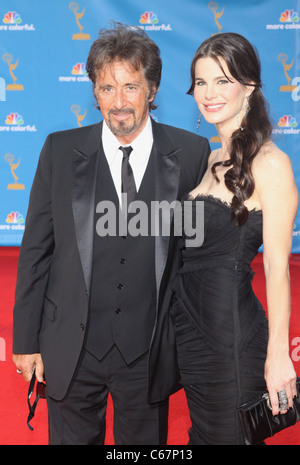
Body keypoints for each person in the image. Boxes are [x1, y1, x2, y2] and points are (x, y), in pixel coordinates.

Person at [12, 23, 210, 445]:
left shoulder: (192, 154)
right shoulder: (59, 151)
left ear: (152, 89)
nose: (118, 103)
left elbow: (196, 260)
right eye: (106, 89)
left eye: (130, 87)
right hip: (71, 349)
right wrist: (26, 341)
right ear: (95, 92)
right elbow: (35, 253)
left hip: (148, 351)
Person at [170, 32, 299, 445]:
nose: (208, 94)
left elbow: (277, 267)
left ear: (250, 85)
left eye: (222, 81)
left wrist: (279, 356)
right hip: (191, 332)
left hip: (231, 337)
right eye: (201, 82)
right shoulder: (211, 159)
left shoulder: (271, 164)